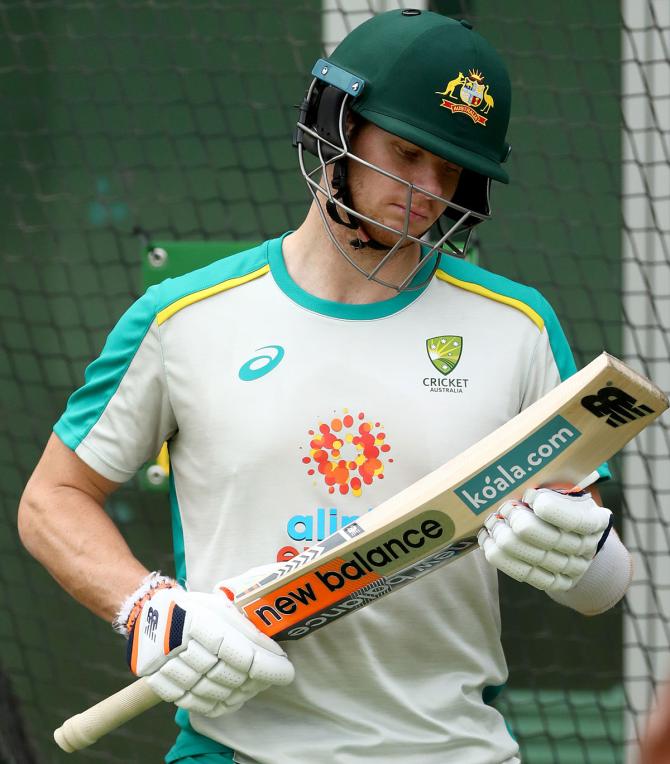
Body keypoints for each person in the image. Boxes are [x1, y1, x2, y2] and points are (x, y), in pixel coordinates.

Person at [18, 10, 633, 764]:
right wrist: (151, 611)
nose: (427, 191)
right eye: (406, 153)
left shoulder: (518, 326)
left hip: (454, 749)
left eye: (450, 170)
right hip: (237, 748)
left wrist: (588, 559)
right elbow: (52, 498)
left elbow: (591, 567)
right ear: (335, 120)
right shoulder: (182, 318)